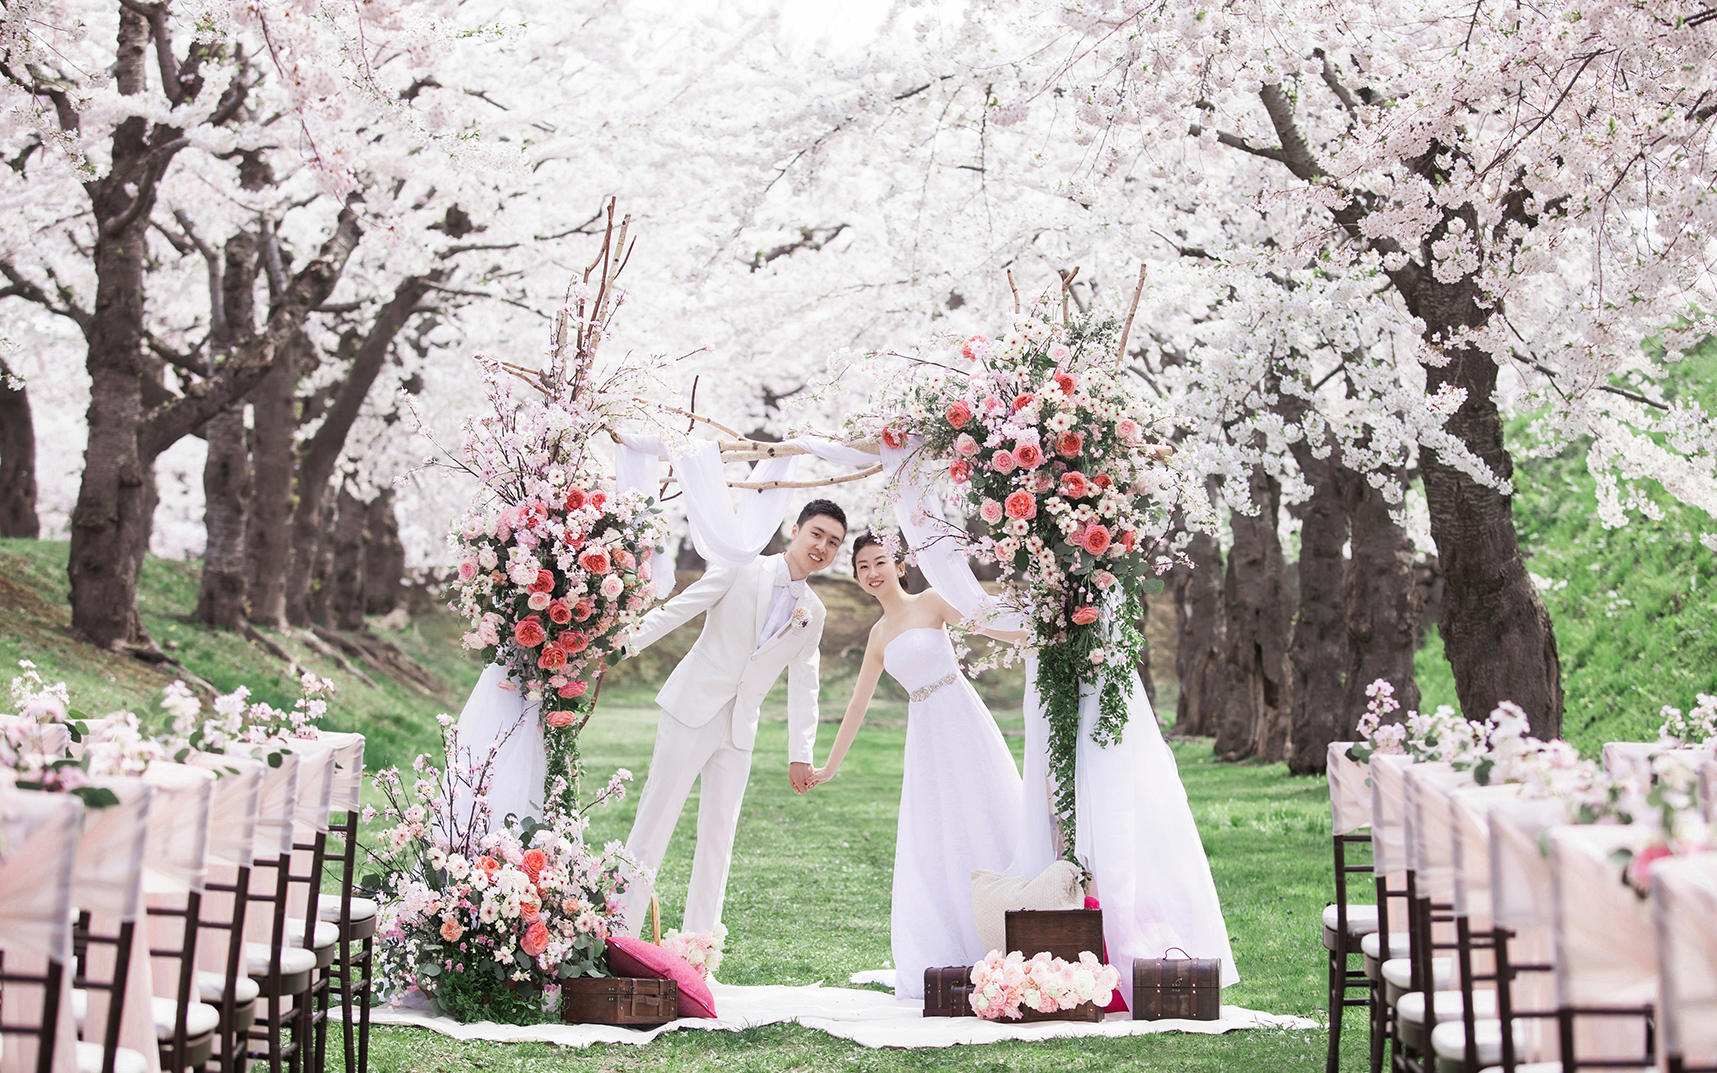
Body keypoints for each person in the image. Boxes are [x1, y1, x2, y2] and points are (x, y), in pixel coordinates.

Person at [809, 532, 1027, 999]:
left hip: (961, 717)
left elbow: (986, 626)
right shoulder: (877, 636)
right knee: (938, 830)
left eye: (880, 561)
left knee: (986, 808)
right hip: (925, 734)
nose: (873, 572)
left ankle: (1015, 929)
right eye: (863, 566)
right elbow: (856, 705)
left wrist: (1037, 632)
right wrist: (828, 766)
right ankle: (955, 935)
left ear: (900, 565)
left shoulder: (931, 602)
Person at [615, 499, 847, 936]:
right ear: (794, 529)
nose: (822, 546)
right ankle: (619, 934)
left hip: (740, 730)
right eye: (816, 534)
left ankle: (698, 950)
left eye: (833, 543)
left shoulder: (813, 612)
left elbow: (805, 684)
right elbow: (682, 607)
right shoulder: (741, 567)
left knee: (719, 840)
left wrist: (801, 753)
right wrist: (624, 645)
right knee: (656, 818)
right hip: (692, 707)